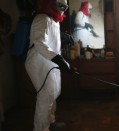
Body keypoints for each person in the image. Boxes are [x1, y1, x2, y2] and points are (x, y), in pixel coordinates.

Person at [24, 0, 70, 130]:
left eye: (65, 6)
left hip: (50, 61)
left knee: (54, 92)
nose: (62, 9)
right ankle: (41, 129)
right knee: (46, 96)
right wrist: (58, 59)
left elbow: (50, 35)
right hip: (38, 61)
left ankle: (51, 122)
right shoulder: (41, 18)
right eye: (60, 5)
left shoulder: (54, 21)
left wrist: (62, 36)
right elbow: (39, 42)